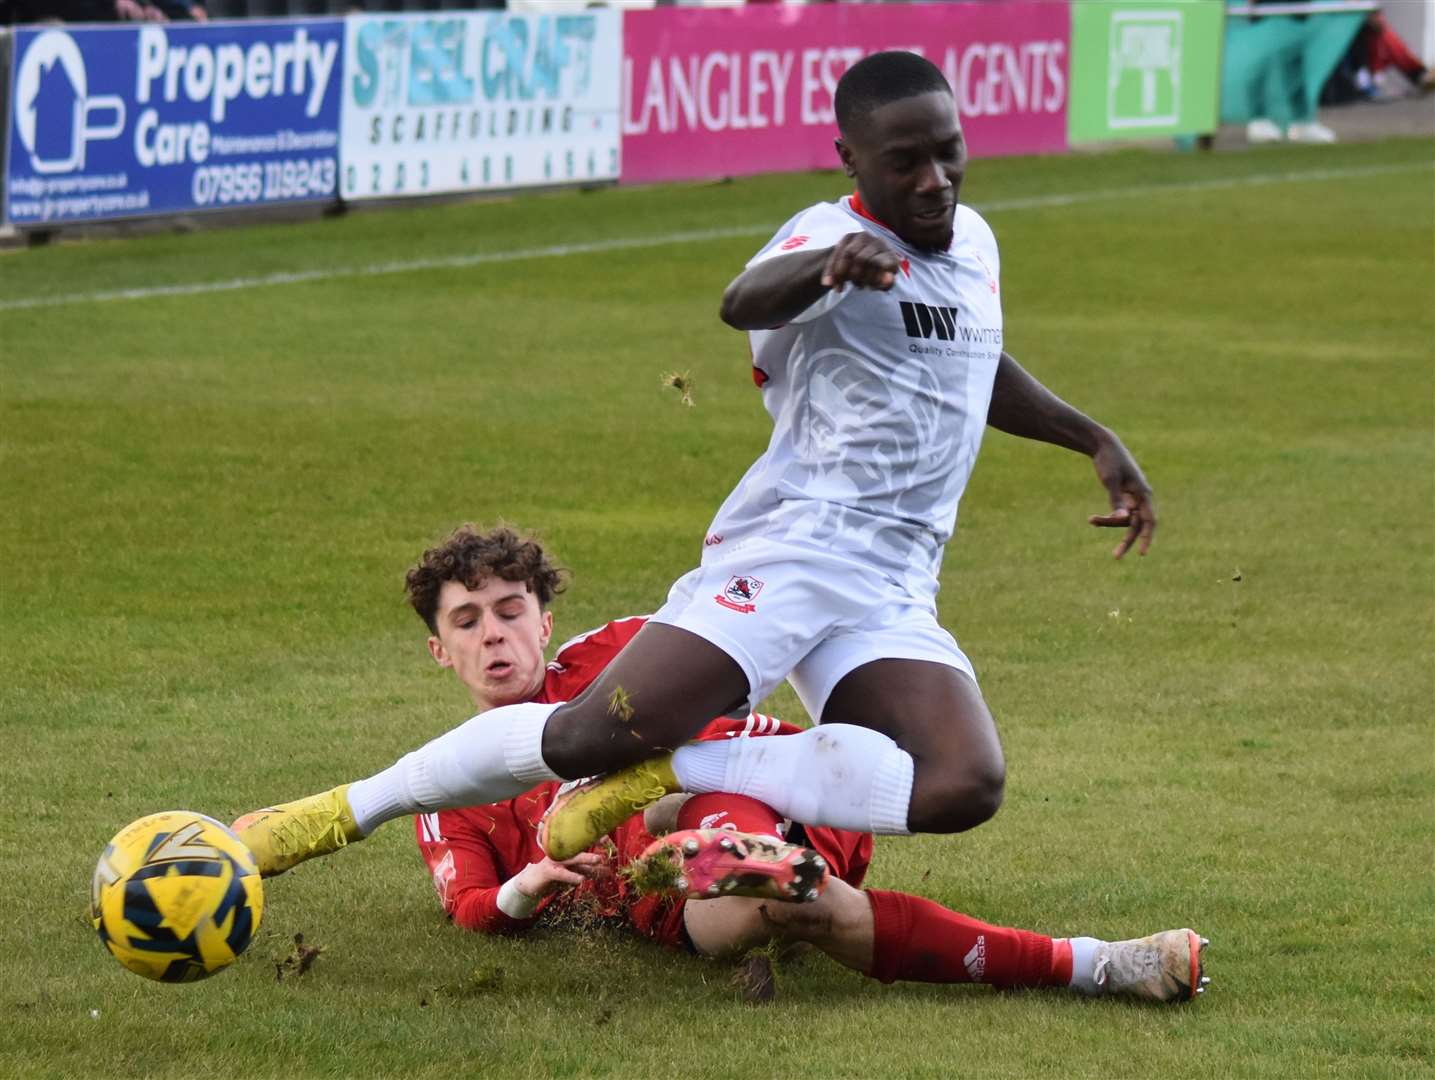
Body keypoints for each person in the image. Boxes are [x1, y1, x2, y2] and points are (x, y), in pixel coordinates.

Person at [236, 52, 1157, 885]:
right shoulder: (820, 239)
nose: (934, 179)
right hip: (794, 548)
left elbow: (968, 358)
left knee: (963, 782)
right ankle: (343, 811)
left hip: (894, 578)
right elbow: (740, 300)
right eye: (904, 160)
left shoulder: (974, 244)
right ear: (850, 159)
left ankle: (682, 767)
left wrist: (1092, 438)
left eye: (949, 152)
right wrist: (828, 270)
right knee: (588, 732)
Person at [331, 524, 1207, 1002]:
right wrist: (537, 883)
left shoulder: (628, 652)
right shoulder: (455, 789)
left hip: (787, 787)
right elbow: (473, 909)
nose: (495, 635)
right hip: (694, 899)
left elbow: (763, 640)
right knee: (779, 908)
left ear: (545, 620)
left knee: (687, 798)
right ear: (438, 652)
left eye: (510, 610)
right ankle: (1096, 963)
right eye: (468, 621)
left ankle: (728, 855)